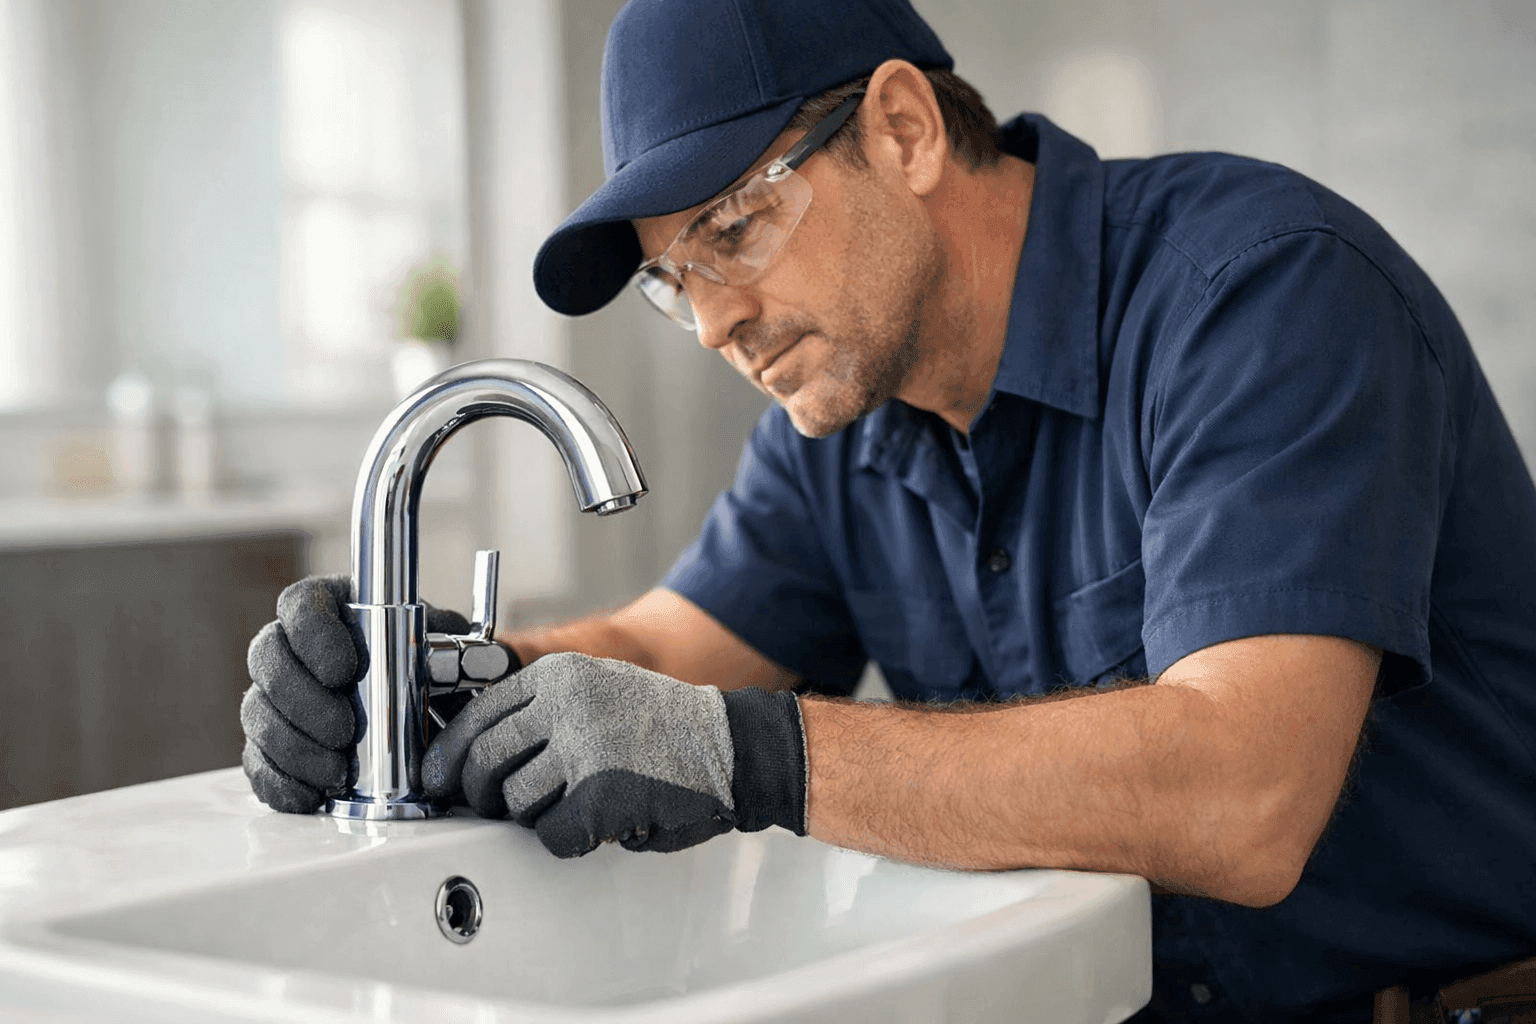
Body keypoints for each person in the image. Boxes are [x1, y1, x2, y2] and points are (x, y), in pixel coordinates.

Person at [239, 0, 1536, 1020]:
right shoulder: (845, 417)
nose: (711, 325)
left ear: (906, 130)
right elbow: (662, 657)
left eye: (733, 233)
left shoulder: (1260, 297)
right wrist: (436, 683)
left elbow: (1238, 798)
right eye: (672, 283)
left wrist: (754, 758)